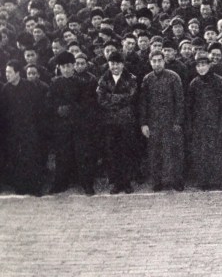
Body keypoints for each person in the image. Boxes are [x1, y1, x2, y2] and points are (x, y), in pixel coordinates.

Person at [46, 50, 96, 195]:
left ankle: (87, 184)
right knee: (62, 155)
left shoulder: (82, 83)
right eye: (63, 67)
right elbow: (49, 102)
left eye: (69, 66)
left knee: (82, 154)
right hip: (62, 126)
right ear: (59, 68)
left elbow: (87, 103)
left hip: (79, 125)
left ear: (74, 66)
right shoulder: (54, 83)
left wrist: (72, 108)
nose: (66, 69)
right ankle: (60, 183)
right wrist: (58, 109)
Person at [139, 50, 185, 192]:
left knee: (173, 152)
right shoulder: (147, 79)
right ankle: (157, 181)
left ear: (164, 61)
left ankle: (176, 181)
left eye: (160, 60)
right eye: (154, 61)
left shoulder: (173, 77)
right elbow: (143, 103)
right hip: (154, 122)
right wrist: (144, 123)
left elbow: (180, 101)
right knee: (155, 153)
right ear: (150, 62)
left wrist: (177, 122)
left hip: (170, 121)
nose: (157, 64)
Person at [187, 51, 222, 193]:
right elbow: (190, 107)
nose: (201, 68)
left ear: (209, 65)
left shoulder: (220, 81)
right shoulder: (194, 83)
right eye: (198, 65)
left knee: (219, 153)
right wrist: (191, 126)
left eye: (204, 65)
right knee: (202, 153)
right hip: (200, 125)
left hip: (217, 124)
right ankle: (204, 180)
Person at [96, 50, 138, 195]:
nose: (115, 66)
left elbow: (131, 97)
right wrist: (118, 99)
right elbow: (101, 99)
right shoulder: (103, 79)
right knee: (112, 152)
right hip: (110, 122)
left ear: (122, 64)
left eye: (118, 63)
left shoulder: (130, 78)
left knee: (126, 151)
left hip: (126, 121)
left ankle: (126, 182)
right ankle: (116, 182)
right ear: (108, 64)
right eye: (112, 63)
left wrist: (111, 98)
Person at [0, 59, 45, 196]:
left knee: (31, 156)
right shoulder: (6, 89)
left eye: (9, 72)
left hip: (30, 127)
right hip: (13, 130)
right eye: (6, 72)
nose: (7, 75)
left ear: (18, 73)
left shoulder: (29, 87)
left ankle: (35, 187)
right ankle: (21, 186)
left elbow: (38, 108)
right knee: (16, 158)